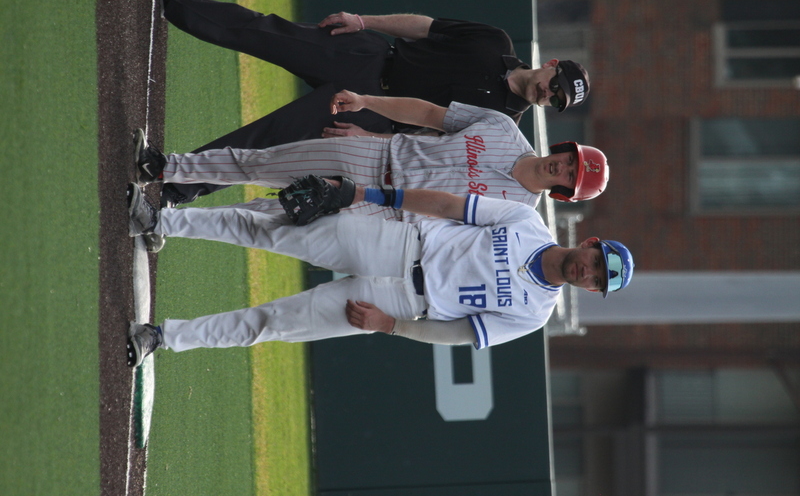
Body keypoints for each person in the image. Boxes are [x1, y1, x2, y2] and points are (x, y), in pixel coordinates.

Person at [158, 0, 591, 206]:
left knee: (268, 142)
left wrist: (366, 142)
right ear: (551, 64)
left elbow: (428, 147)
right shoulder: (493, 40)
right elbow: (426, 27)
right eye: (554, 86)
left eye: (556, 102)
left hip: (371, 120)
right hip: (368, 59)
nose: (547, 95)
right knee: (266, 32)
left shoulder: (504, 125)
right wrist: (363, 20)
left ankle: (175, 187)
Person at [124, 179, 634, 367]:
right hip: (399, 243)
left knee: (273, 324)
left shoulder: (536, 313)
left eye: (597, 281)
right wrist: (371, 197)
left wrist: (389, 326)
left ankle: (161, 338)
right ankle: (160, 218)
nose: (589, 273)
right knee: (272, 228)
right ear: (590, 243)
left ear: (591, 290)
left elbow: (458, 334)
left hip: (402, 305)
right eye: (597, 262)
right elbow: (449, 204)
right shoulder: (527, 220)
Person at [135, 90, 608, 251]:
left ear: (565, 192)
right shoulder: (505, 127)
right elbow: (426, 115)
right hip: (374, 158)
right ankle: (163, 167)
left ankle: (167, 226)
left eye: (570, 176)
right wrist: (367, 108)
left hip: (384, 216)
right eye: (570, 159)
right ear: (565, 147)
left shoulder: (520, 216)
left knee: (268, 217)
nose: (562, 167)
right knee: (260, 163)